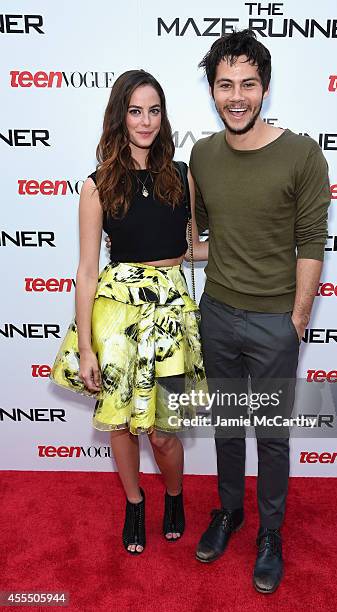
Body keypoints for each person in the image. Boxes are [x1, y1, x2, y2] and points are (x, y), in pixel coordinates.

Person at [189, 30, 331, 594]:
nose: (237, 95)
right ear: (213, 92)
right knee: (226, 425)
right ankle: (229, 512)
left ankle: (270, 532)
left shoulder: (302, 153)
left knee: (270, 435)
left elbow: (312, 240)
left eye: (248, 83)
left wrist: (296, 319)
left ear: (265, 89)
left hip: (275, 320)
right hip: (217, 313)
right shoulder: (201, 154)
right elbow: (201, 235)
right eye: (225, 85)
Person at [49, 69, 208, 555]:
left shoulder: (184, 175)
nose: (145, 121)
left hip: (170, 314)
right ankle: (135, 500)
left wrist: (202, 253)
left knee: (163, 433)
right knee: (119, 423)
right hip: (116, 316)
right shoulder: (97, 185)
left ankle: (175, 495)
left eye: (154, 110)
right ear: (120, 117)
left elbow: (195, 248)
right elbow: (86, 270)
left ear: (164, 117)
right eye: (135, 111)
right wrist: (85, 347)